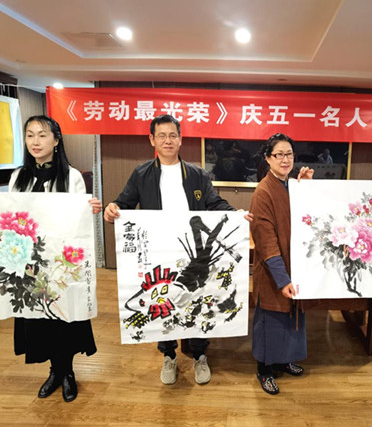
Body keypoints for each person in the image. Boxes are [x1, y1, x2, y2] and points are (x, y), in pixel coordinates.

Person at [0, 115, 102, 403]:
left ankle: (67, 372)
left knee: (64, 316)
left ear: (56, 141)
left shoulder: (71, 176)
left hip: (60, 262)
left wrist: (89, 209)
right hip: (28, 261)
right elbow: (7, 214)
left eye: (43, 135)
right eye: (30, 135)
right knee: (38, 318)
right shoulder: (18, 176)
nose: (35, 141)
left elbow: (77, 218)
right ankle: (54, 371)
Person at [103, 114, 250, 386]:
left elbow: (214, 204)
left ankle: (200, 355)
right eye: (162, 136)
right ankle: (168, 355)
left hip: (191, 252)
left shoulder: (196, 174)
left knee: (196, 299)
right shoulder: (141, 173)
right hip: (159, 252)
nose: (168, 140)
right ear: (152, 140)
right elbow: (123, 203)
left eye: (173, 135)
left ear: (181, 140)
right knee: (163, 301)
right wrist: (112, 209)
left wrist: (236, 214)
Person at [249, 133, 313, 395]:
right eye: (279, 155)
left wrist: (307, 188)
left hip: (296, 265)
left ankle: (284, 359)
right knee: (271, 320)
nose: (285, 160)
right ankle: (264, 369)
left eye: (289, 154)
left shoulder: (292, 185)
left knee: (291, 318)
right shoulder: (263, 192)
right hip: (273, 270)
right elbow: (266, 242)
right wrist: (282, 278)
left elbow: (310, 217)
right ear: (268, 158)